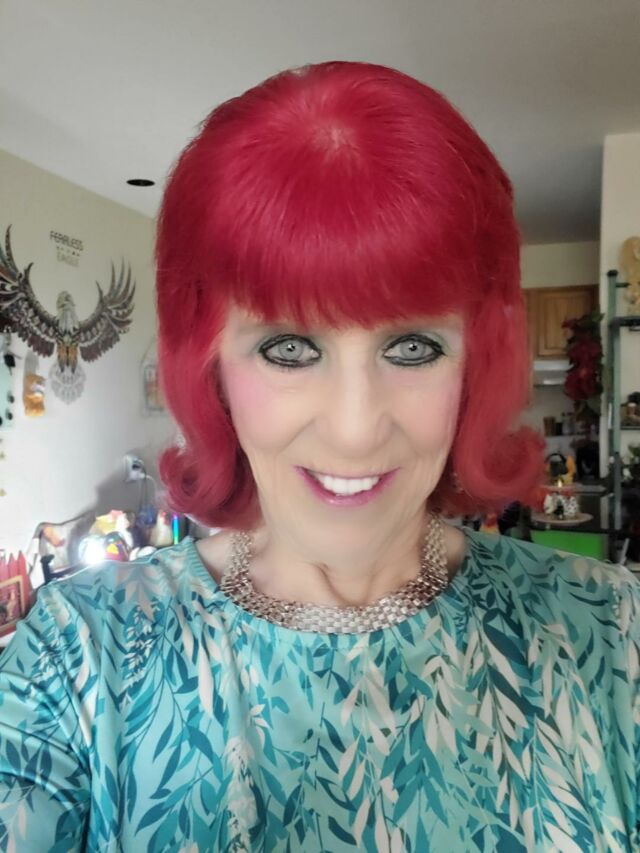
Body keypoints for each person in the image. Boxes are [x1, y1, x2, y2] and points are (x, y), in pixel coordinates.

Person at [0, 61, 639, 852]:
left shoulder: (613, 635)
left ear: (474, 362)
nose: (355, 429)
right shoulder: (79, 660)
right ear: (211, 368)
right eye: (288, 347)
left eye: (412, 346)